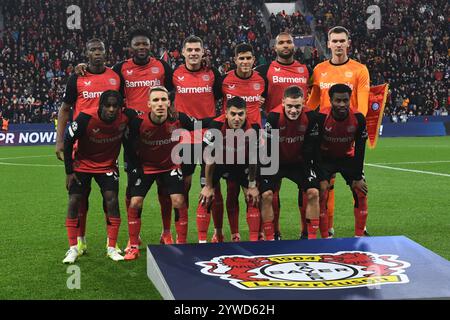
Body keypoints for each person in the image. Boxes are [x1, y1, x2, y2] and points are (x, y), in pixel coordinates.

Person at [74, 29, 175, 247]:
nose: (141, 48)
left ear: (150, 45)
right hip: (132, 134)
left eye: (145, 44)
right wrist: (81, 68)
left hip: (160, 131)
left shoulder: (162, 67)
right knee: (132, 185)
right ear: (130, 48)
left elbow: (175, 90)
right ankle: (133, 237)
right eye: (137, 44)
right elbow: (102, 76)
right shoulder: (120, 69)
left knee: (164, 186)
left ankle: (166, 232)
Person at [123, 86, 209, 259]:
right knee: (135, 202)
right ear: (148, 104)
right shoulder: (138, 123)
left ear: (169, 103)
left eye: (163, 100)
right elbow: (128, 144)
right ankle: (133, 245)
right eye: (155, 100)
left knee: (178, 200)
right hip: (146, 167)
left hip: (170, 166)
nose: (160, 104)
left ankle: (181, 244)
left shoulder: (179, 119)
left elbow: (201, 126)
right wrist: (134, 167)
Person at [56, 38, 121, 256]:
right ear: (86, 54)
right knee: (78, 197)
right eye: (92, 50)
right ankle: (80, 241)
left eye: (100, 49)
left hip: (108, 145)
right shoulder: (77, 77)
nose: (97, 53)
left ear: (106, 52)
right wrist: (59, 141)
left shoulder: (115, 76)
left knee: (110, 196)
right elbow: (65, 109)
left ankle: (111, 243)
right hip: (81, 145)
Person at [306, 26, 370, 238]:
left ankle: (361, 230)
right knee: (326, 187)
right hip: (325, 138)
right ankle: (328, 229)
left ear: (348, 43)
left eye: (342, 40)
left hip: (348, 134)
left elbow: (362, 106)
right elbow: (311, 105)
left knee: (358, 184)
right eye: (335, 41)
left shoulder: (360, 70)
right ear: (328, 43)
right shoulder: (319, 70)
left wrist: (353, 129)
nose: (339, 44)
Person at [62, 90, 136, 263]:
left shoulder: (127, 117)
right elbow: (68, 141)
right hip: (83, 165)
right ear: (101, 106)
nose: (111, 109)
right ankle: (73, 248)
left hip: (107, 166)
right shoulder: (85, 118)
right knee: (74, 200)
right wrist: (69, 171)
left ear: (120, 107)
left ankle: (111, 247)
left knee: (112, 200)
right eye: (108, 106)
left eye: (115, 106)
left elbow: (142, 123)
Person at [255, 32, 311, 240]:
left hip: (299, 138)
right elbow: (251, 92)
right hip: (274, 139)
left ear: (294, 45)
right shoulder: (264, 71)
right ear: (275, 47)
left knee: (306, 187)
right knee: (271, 190)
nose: (285, 45)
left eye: (289, 42)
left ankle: (306, 232)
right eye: (281, 43)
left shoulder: (306, 70)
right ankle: (274, 233)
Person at [172, 35, 225, 243]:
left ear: (203, 52)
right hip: (184, 138)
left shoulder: (212, 73)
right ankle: (181, 236)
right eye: (190, 50)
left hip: (208, 138)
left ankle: (204, 238)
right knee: (182, 186)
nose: (193, 53)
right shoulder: (174, 74)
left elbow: (226, 94)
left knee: (209, 185)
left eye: (197, 49)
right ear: (183, 52)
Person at [219, 43, 268, 242]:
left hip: (255, 139)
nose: (245, 62)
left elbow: (269, 101)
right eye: (241, 58)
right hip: (231, 140)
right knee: (232, 190)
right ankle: (235, 234)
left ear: (253, 60)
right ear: (235, 60)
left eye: (248, 58)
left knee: (256, 190)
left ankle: (259, 233)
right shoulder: (225, 81)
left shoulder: (261, 80)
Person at [197, 96, 261, 242]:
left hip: (240, 163)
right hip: (216, 163)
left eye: (240, 114)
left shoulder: (254, 129)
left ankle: (252, 241)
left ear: (246, 114)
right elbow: (208, 158)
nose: (237, 118)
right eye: (233, 114)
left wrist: (251, 185)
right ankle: (211, 238)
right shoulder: (215, 127)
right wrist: (208, 186)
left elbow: (253, 159)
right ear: (226, 113)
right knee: (207, 197)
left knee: (252, 197)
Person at [260, 86, 320, 240]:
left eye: (297, 106)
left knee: (313, 192)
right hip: (276, 161)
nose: (293, 110)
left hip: (299, 162)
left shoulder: (311, 117)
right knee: (266, 195)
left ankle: (310, 238)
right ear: (282, 103)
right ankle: (271, 238)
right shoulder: (273, 117)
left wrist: (310, 176)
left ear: (304, 103)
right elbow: (267, 149)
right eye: (289, 106)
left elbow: (310, 148)